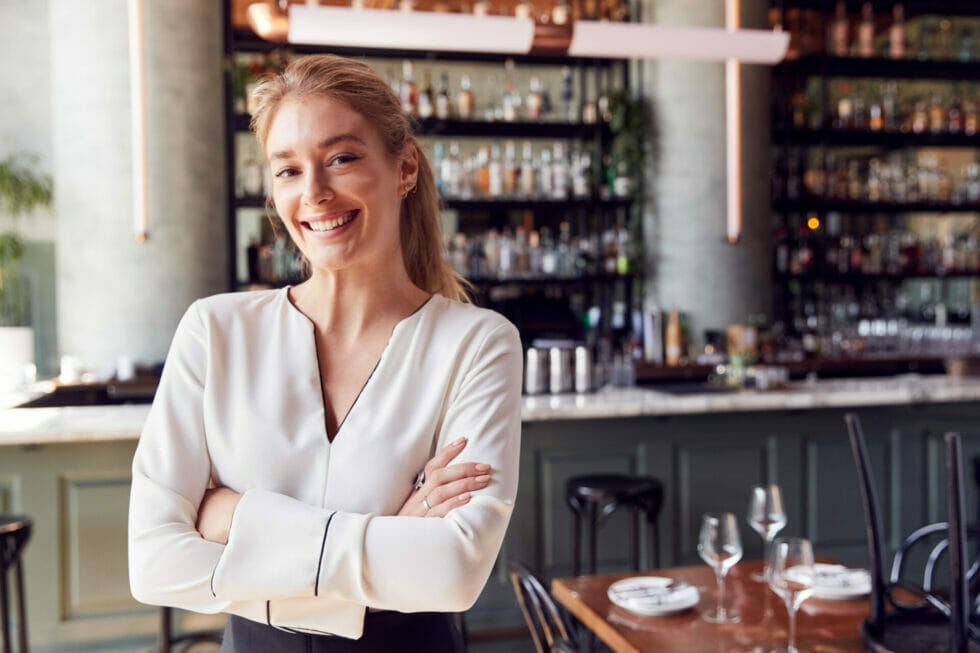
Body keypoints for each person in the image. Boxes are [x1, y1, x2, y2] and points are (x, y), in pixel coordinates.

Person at [128, 54, 523, 652]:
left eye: (341, 158)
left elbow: (453, 572)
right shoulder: (215, 330)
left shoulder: (477, 343)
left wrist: (234, 519)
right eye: (287, 170)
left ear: (405, 167)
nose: (314, 193)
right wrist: (393, 533)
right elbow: (153, 560)